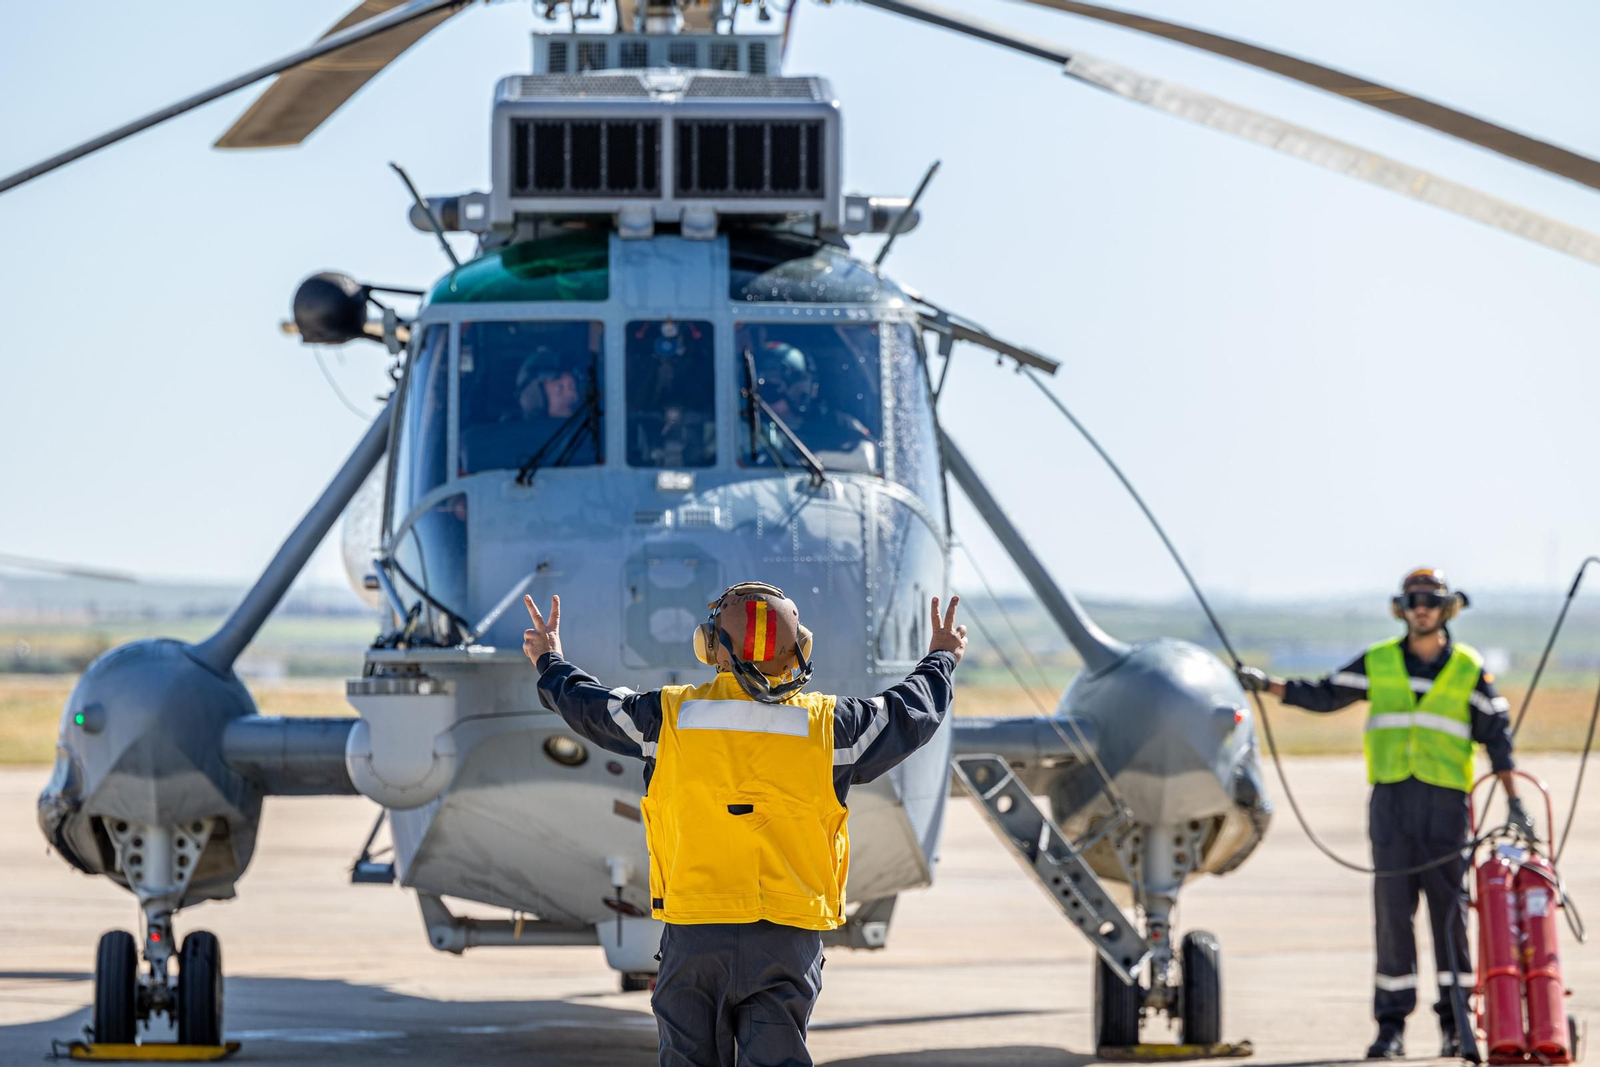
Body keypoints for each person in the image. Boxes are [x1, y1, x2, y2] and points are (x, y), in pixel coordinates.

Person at [522, 583, 967, 1066]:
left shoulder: (667, 718)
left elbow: (590, 706)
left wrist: (550, 661)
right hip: (786, 935)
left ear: (710, 647)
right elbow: (908, 712)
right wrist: (940, 658)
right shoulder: (831, 727)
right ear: (800, 648)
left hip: (695, 932)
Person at [1237, 568, 1535, 1060]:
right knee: (1393, 917)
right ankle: (1390, 1027)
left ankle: (1457, 1024)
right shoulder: (1378, 662)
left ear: (1447, 609)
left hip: (1446, 810)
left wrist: (1515, 802)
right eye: (1414, 600)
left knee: (1451, 916)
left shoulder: (1469, 669)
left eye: (1431, 600)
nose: (1422, 607)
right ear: (1402, 608)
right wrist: (1267, 685)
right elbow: (1325, 694)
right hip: (1391, 808)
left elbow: (1498, 740)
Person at [747, 341, 874, 463]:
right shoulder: (746, 429)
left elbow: (867, 456)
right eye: (769, 385)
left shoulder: (839, 424)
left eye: (803, 379)